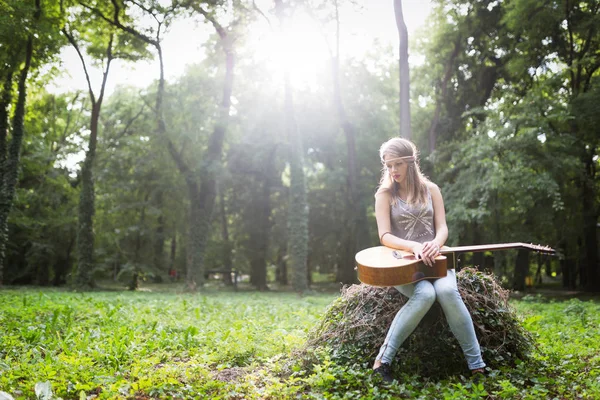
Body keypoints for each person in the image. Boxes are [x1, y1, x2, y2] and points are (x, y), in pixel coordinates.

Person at [372, 137, 485, 383]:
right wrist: (414, 246)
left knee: (446, 291)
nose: (393, 170)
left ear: (411, 163)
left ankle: (477, 366)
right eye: (388, 165)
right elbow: (384, 235)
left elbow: (442, 228)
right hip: (403, 264)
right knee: (424, 294)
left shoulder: (431, 190)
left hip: (437, 259)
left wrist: (435, 243)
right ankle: (382, 361)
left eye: (398, 164)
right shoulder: (384, 194)